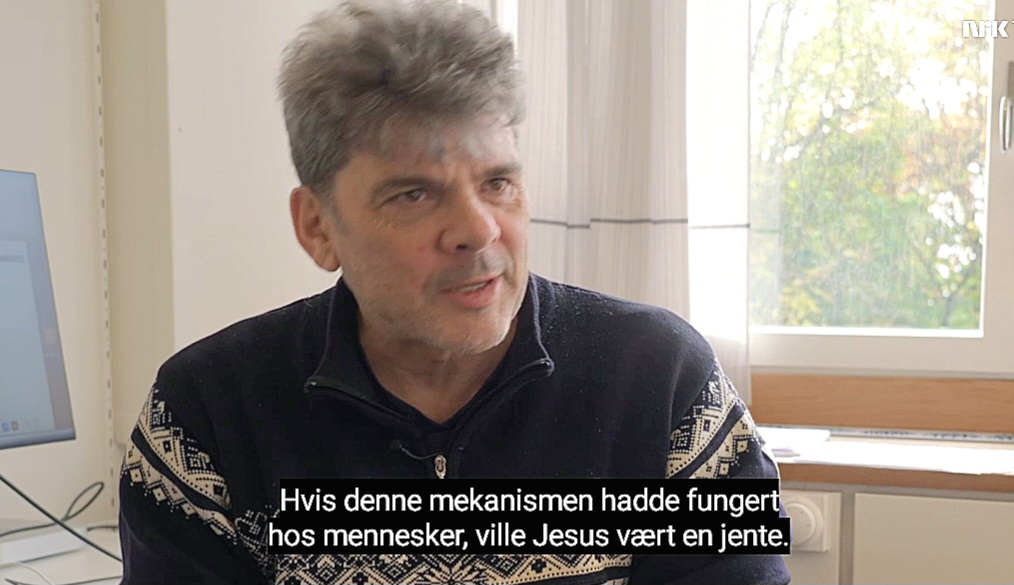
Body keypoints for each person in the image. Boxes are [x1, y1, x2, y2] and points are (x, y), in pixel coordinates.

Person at [117, 1, 790, 583]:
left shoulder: (661, 381)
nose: (478, 229)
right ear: (317, 226)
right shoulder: (206, 415)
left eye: (498, 183)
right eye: (414, 194)